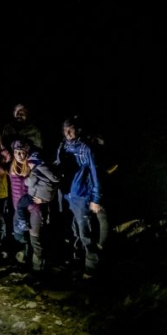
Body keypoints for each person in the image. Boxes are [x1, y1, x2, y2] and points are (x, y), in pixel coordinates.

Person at [57, 118, 106, 276]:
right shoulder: (63, 146)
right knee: (72, 232)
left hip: (81, 196)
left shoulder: (85, 149)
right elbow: (57, 166)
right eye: (65, 130)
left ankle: (91, 268)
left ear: (78, 130)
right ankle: (76, 261)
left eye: (71, 129)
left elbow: (94, 173)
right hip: (66, 195)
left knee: (85, 233)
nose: (68, 133)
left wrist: (95, 198)